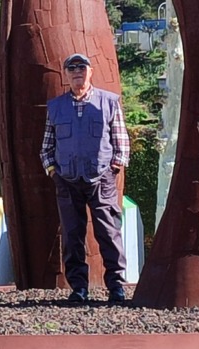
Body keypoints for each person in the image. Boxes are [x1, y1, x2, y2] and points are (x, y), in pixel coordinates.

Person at [40, 53, 130, 303]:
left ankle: (116, 286)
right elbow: (46, 146)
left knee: (109, 233)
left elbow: (121, 143)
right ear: (66, 75)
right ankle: (79, 288)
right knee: (72, 236)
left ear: (91, 71)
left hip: (101, 179)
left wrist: (113, 168)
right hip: (67, 181)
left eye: (82, 67)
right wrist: (53, 171)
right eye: (72, 68)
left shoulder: (109, 102)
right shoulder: (55, 107)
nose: (77, 71)